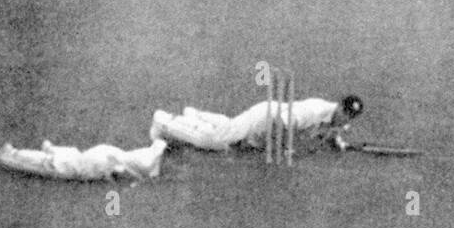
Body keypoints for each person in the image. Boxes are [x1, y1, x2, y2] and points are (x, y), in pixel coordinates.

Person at [150, 94, 363, 152]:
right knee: (216, 141)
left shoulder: (338, 119)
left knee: (231, 127)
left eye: (350, 116)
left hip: (273, 118)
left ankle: (195, 115)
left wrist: (337, 142)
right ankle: (164, 121)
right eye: (345, 112)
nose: (346, 118)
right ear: (339, 106)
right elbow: (280, 123)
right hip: (266, 116)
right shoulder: (313, 110)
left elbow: (333, 129)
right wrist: (275, 144)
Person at [0, 138, 167, 181]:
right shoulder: (122, 160)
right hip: (85, 160)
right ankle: (11, 155)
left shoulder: (122, 159)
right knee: (51, 160)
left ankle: (10, 155)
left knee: (46, 162)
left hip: (84, 161)